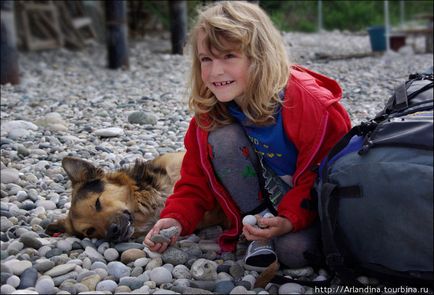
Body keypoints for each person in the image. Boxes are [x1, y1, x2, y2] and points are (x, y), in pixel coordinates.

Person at [144, 0, 351, 270]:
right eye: (207, 59)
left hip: (312, 202)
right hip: (263, 202)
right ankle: (258, 224)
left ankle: (271, 230)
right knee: (221, 137)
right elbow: (195, 179)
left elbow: (323, 177)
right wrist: (176, 218)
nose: (215, 71)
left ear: (260, 57)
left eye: (229, 56)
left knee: (293, 253)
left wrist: (289, 220)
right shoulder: (212, 109)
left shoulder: (312, 107)